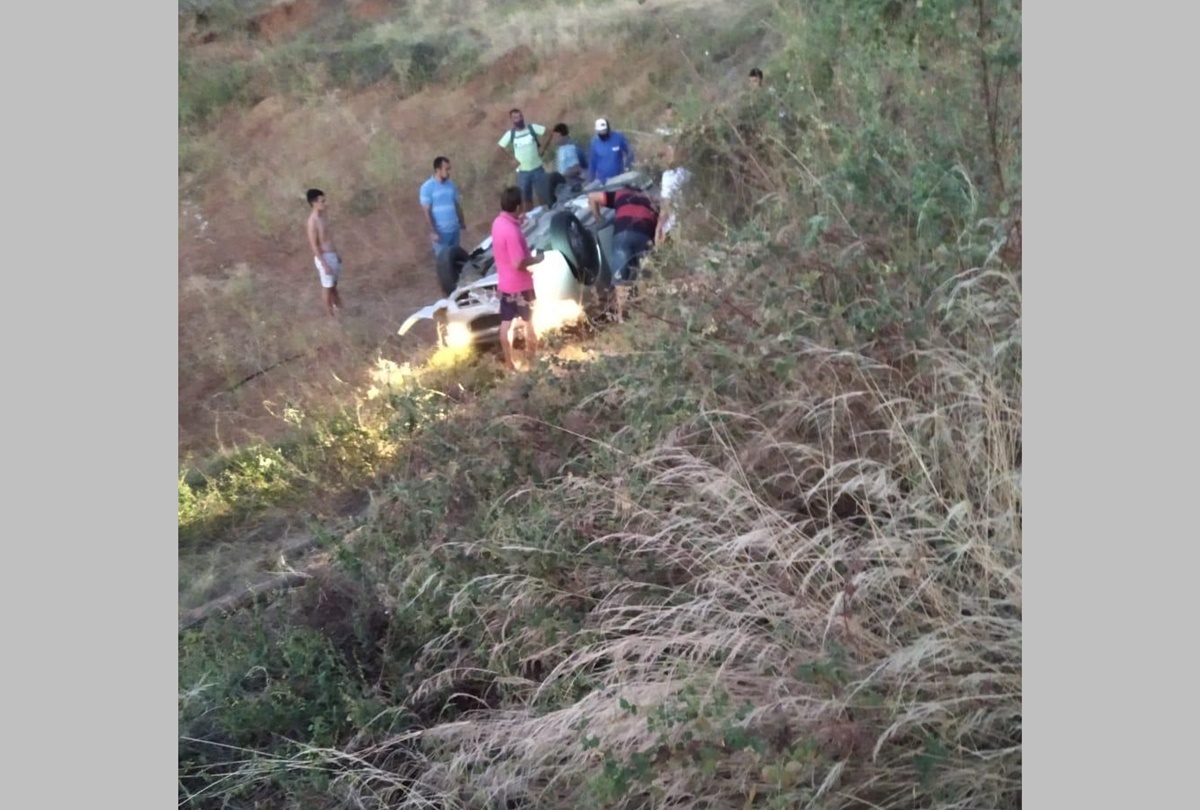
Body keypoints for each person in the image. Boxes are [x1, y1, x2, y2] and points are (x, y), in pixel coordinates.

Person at [588, 183, 658, 321]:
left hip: (624, 235)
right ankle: (647, 316)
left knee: (621, 280)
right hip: (645, 236)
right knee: (643, 277)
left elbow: (592, 197)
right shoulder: (651, 200)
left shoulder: (621, 194)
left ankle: (622, 318)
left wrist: (598, 218)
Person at [491, 185, 542, 370]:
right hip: (520, 285)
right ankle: (532, 362)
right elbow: (519, 262)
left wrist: (519, 221)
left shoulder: (498, 223)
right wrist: (537, 258)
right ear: (518, 207)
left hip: (505, 284)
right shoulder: (512, 232)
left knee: (506, 323)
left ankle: (509, 363)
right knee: (530, 322)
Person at [497, 108, 550, 208]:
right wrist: (511, 160)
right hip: (523, 172)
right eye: (516, 118)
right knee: (526, 199)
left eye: (520, 116)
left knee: (544, 195)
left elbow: (548, 132)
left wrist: (543, 148)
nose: (519, 119)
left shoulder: (532, 128)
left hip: (537, 168)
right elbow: (500, 148)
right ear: (512, 120)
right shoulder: (511, 134)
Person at [419, 156, 467, 263]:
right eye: (446, 169)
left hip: (454, 231)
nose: (449, 172)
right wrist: (433, 231)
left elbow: (457, 205)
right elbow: (427, 212)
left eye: (449, 169)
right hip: (441, 234)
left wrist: (462, 222)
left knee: (456, 261)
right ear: (438, 170)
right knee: (444, 263)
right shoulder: (427, 188)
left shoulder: (451, 185)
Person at [306, 188, 342, 316]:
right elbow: (314, 245)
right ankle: (330, 316)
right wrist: (324, 264)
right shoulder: (312, 222)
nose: (324, 203)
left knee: (333, 286)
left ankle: (339, 309)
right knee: (327, 287)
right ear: (314, 203)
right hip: (324, 257)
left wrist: (336, 254)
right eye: (322, 201)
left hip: (332, 255)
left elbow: (329, 237)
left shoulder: (324, 216)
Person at [655, 142, 692, 244]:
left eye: (662, 156)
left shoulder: (668, 177)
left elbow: (666, 205)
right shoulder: (687, 173)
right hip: (688, 224)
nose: (661, 160)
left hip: (672, 227)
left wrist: (658, 228)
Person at [588, 118, 634, 185]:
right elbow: (592, 162)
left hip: (619, 178)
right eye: (600, 134)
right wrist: (591, 178)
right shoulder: (594, 142)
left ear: (608, 129)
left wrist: (627, 166)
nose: (603, 136)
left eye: (604, 133)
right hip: (603, 181)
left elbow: (630, 152)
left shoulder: (618, 137)